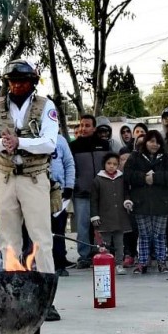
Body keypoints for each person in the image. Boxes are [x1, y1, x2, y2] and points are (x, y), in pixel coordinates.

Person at [0, 60, 59, 275]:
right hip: (5, 178)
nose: (16, 86)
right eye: (12, 81)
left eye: (22, 81)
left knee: (41, 238)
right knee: (7, 239)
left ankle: (46, 292)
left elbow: (50, 142)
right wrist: (4, 144)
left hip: (34, 177)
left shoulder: (46, 106)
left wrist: (20, 142)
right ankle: (13, 289)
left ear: (32, 82)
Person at [124, 130, 168, 274]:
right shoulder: (135, 156)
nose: (155, 145)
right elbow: (127, 175)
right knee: (144, 234)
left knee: (159, 234)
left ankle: (162, 262)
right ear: (145, 142)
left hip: (161, 203)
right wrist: (143, 178)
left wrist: (156, 178)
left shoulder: (166, 158)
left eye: (157, 142)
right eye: (151, 141)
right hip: (141, 202)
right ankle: (142, 262)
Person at [69, 114, 111, 269]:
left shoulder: (104, 145)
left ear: (94, 128)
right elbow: (70, 167)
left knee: (102, 224)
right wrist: (75, 184)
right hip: (82, 192)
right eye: (81, 125)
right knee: (82, 226)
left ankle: (102, 252)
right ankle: (84, 256)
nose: (83, 128)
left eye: (87, 125)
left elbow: (111, 165)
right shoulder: (73, 146)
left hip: (102, 192)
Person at [90, 153, 132, 276]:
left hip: (119, 216)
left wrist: (127, 202)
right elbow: (93, 200)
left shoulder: (121, 178)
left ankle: (119, 264)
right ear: (104, 164)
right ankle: (104, 264)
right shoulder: (97, 180)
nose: (111, 166)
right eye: (109, 163)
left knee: (119, 243)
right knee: (104, 243)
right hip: (104, 217)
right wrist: (94, 215)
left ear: (118, 165)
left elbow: (126, 193)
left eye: (115, 164)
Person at [50, 132, 76, 275]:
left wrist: (69, 186)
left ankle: (60, 263)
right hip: (36, 190)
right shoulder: (30, 139)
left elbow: (69, 163)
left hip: (58, 191)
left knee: (58, 229)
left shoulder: (60, 140)